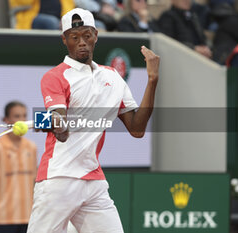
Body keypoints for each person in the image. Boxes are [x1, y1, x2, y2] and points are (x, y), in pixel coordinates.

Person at [27, 8, 159, 233]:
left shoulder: (112, 77)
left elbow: (137, 129)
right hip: (59, 179)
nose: (81, 43)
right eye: (74, 37)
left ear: (96, 36)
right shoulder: (55, 77)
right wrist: (56, 122)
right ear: (64, 39)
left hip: (94, 182)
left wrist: (152, 80)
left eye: (86, 36)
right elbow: (62, 130)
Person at [0, 101, 37, 233]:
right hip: (2, 220)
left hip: (30, 218)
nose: (22, 120)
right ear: (6, 120)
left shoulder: (32, 147)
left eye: (24, 116)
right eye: (16, 116)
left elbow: (34, 182)